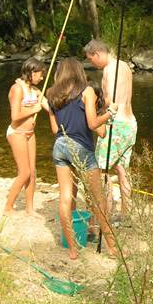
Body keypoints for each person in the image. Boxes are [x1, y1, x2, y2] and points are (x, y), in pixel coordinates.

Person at [46, 57, 118, 259]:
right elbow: (93, 123)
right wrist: (109, 113)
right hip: (81, 148)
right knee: (98, 200)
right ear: (78, 71)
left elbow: (54, 129)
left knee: (66, 197)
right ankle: (112, 247)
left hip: (60, 146)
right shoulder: (86, 91)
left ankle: (72, 249)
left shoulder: (51, 95)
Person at [84, 39, 137, 218]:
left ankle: (104, 215)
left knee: (101, 170)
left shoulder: (109, 69)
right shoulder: (125, 66)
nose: (92, 63)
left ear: (97, 54)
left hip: (117, 125)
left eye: (91, 59)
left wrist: (91, 101)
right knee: (122, 170)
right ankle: (126, 214)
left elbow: (111, 101)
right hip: (130, 123)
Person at [3, 57, 50, 217]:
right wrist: (34, 109)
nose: (42, 78)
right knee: (24, 172)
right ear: (32, 72)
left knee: (32, 171)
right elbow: (15, 116)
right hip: (17, 133)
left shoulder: (36, 91)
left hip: (30, 134)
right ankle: (8, 207)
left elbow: (50, 108)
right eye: (40, 74)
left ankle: (30, 209)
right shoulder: (17, 89)